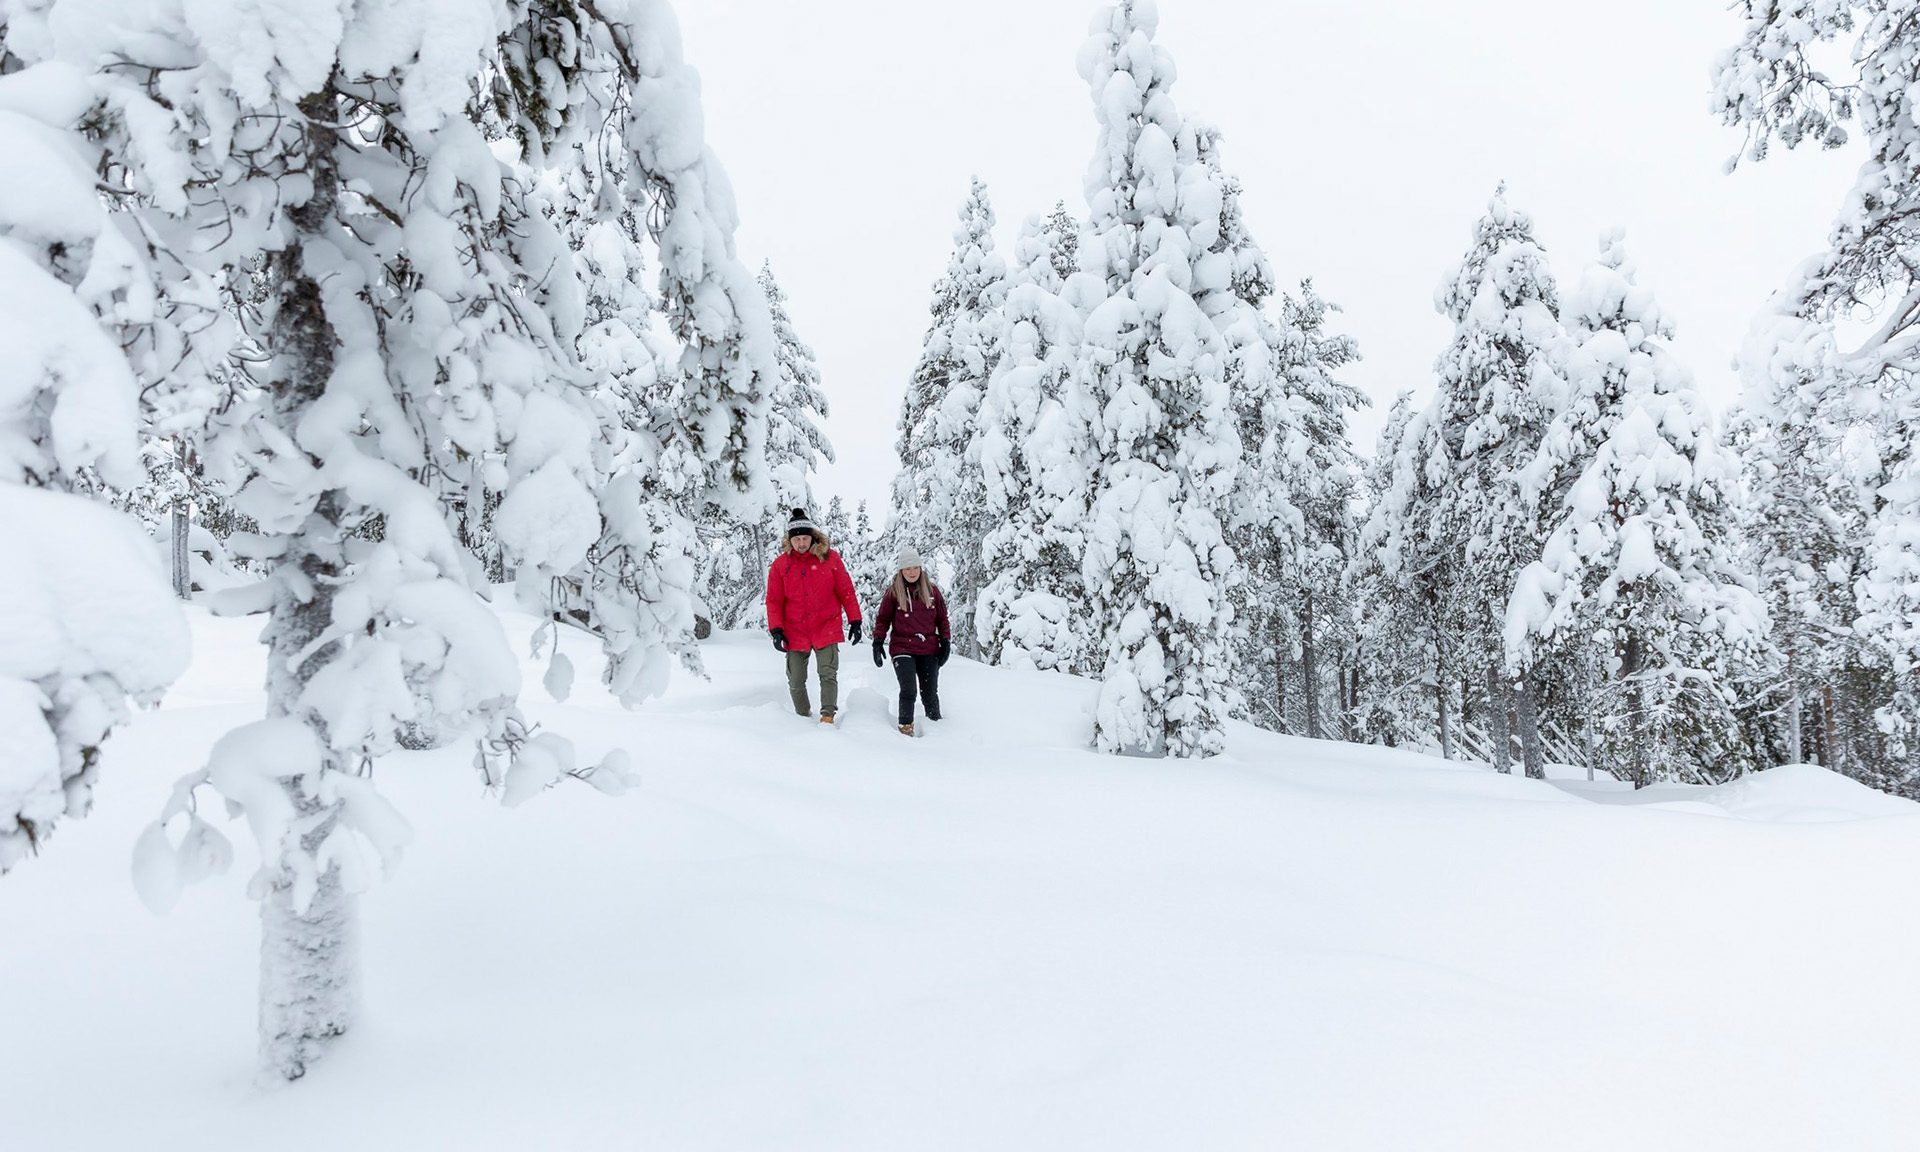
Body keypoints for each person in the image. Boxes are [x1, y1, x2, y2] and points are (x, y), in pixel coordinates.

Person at [766, 507, 862, 724]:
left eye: (804, 538)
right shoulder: (781, 565)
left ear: (812, 537)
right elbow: (774, 600)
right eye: (797, 539)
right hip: (794, 629)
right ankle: (802, 717)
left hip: (825, 626)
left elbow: (846, 591)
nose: (801, 543)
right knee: (796, 680)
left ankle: (827, 716)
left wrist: (855, 619)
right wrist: (776, 629)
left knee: (827, 673)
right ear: (790, 540)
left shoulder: (829, 559)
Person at [870, 546, 950, 736]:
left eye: (915, 568)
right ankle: (905, 727)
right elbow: (883, 619)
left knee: (929, 692)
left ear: (920, 569)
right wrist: (878, 641)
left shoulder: (932, 592)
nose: (912, 572)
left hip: (929, 648)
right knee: (909, 689)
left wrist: (945, 641)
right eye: (907, 569)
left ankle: (937, 728)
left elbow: (942, 619)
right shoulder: (893, 593)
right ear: (901, 571)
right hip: (902, 647)